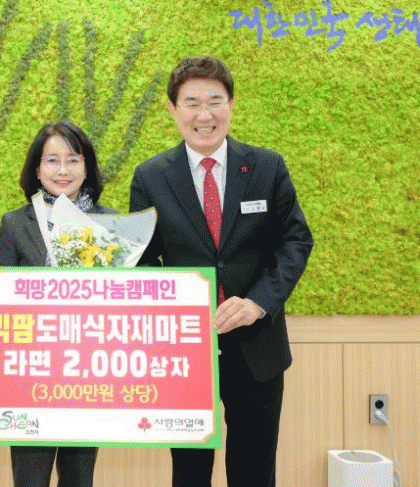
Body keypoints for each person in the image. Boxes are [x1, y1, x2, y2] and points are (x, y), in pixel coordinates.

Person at [129, 56, 314, 487]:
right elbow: (142, 262)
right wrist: (182, 323)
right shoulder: (151, 177)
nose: (205, 115)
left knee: (254, 472)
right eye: (192, 103)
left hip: (257, 347)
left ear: (231, 104)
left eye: (215, 101)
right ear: (172, 109)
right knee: (189, 473)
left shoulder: (267, 167)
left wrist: (258, 303)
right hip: (186, 354)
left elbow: (295, 241)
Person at [0, 121, 116, 487]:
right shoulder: (15, 224)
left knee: (80, 479)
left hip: (89, 375)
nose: (63, 170)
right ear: (36, 169)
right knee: (29, 479)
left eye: (73, 160)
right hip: (30, 377)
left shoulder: (110, 223)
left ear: (87, 168)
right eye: (52, 160)